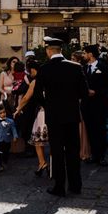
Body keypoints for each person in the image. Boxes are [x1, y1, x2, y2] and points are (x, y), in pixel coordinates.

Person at [34, 37, 88, 196]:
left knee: (57, 151)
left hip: (54, 117)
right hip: (71, 115)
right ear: (61, 50)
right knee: (73, 150)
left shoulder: (44, 69)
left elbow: (37, 95)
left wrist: (48, 106)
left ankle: (59, 186)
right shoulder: (76, 67)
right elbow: (84, 93)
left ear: (48, 51)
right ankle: (75, 185)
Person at [14, 62, 49, 177]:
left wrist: (18, 109)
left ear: (34, 70)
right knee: (51, 140)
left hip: (42, 113)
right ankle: (49, 164)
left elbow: (25, 98)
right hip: (52, 113)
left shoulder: (35, 82)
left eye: (30, 71)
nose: (30, 73)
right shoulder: (49, 80)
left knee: (38, 139)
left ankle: (42, 162)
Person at [81, 44, 108, 166]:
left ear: (90, 54)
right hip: (87, 104)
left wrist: (96, 92)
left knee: (100, 130)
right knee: (90, 130)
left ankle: (101, 155)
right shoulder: (83, 68)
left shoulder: (103, 67)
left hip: (100, 104)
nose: (83, 55)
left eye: (84, 53)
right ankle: (94, 154)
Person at [0, 106, 19, 173]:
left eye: (4, 112)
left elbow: (13, 129)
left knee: (6, 152)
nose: (3, 114)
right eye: (1, 113)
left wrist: (15, 136)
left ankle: (5, 160)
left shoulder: (10, 121)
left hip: (7, 139)